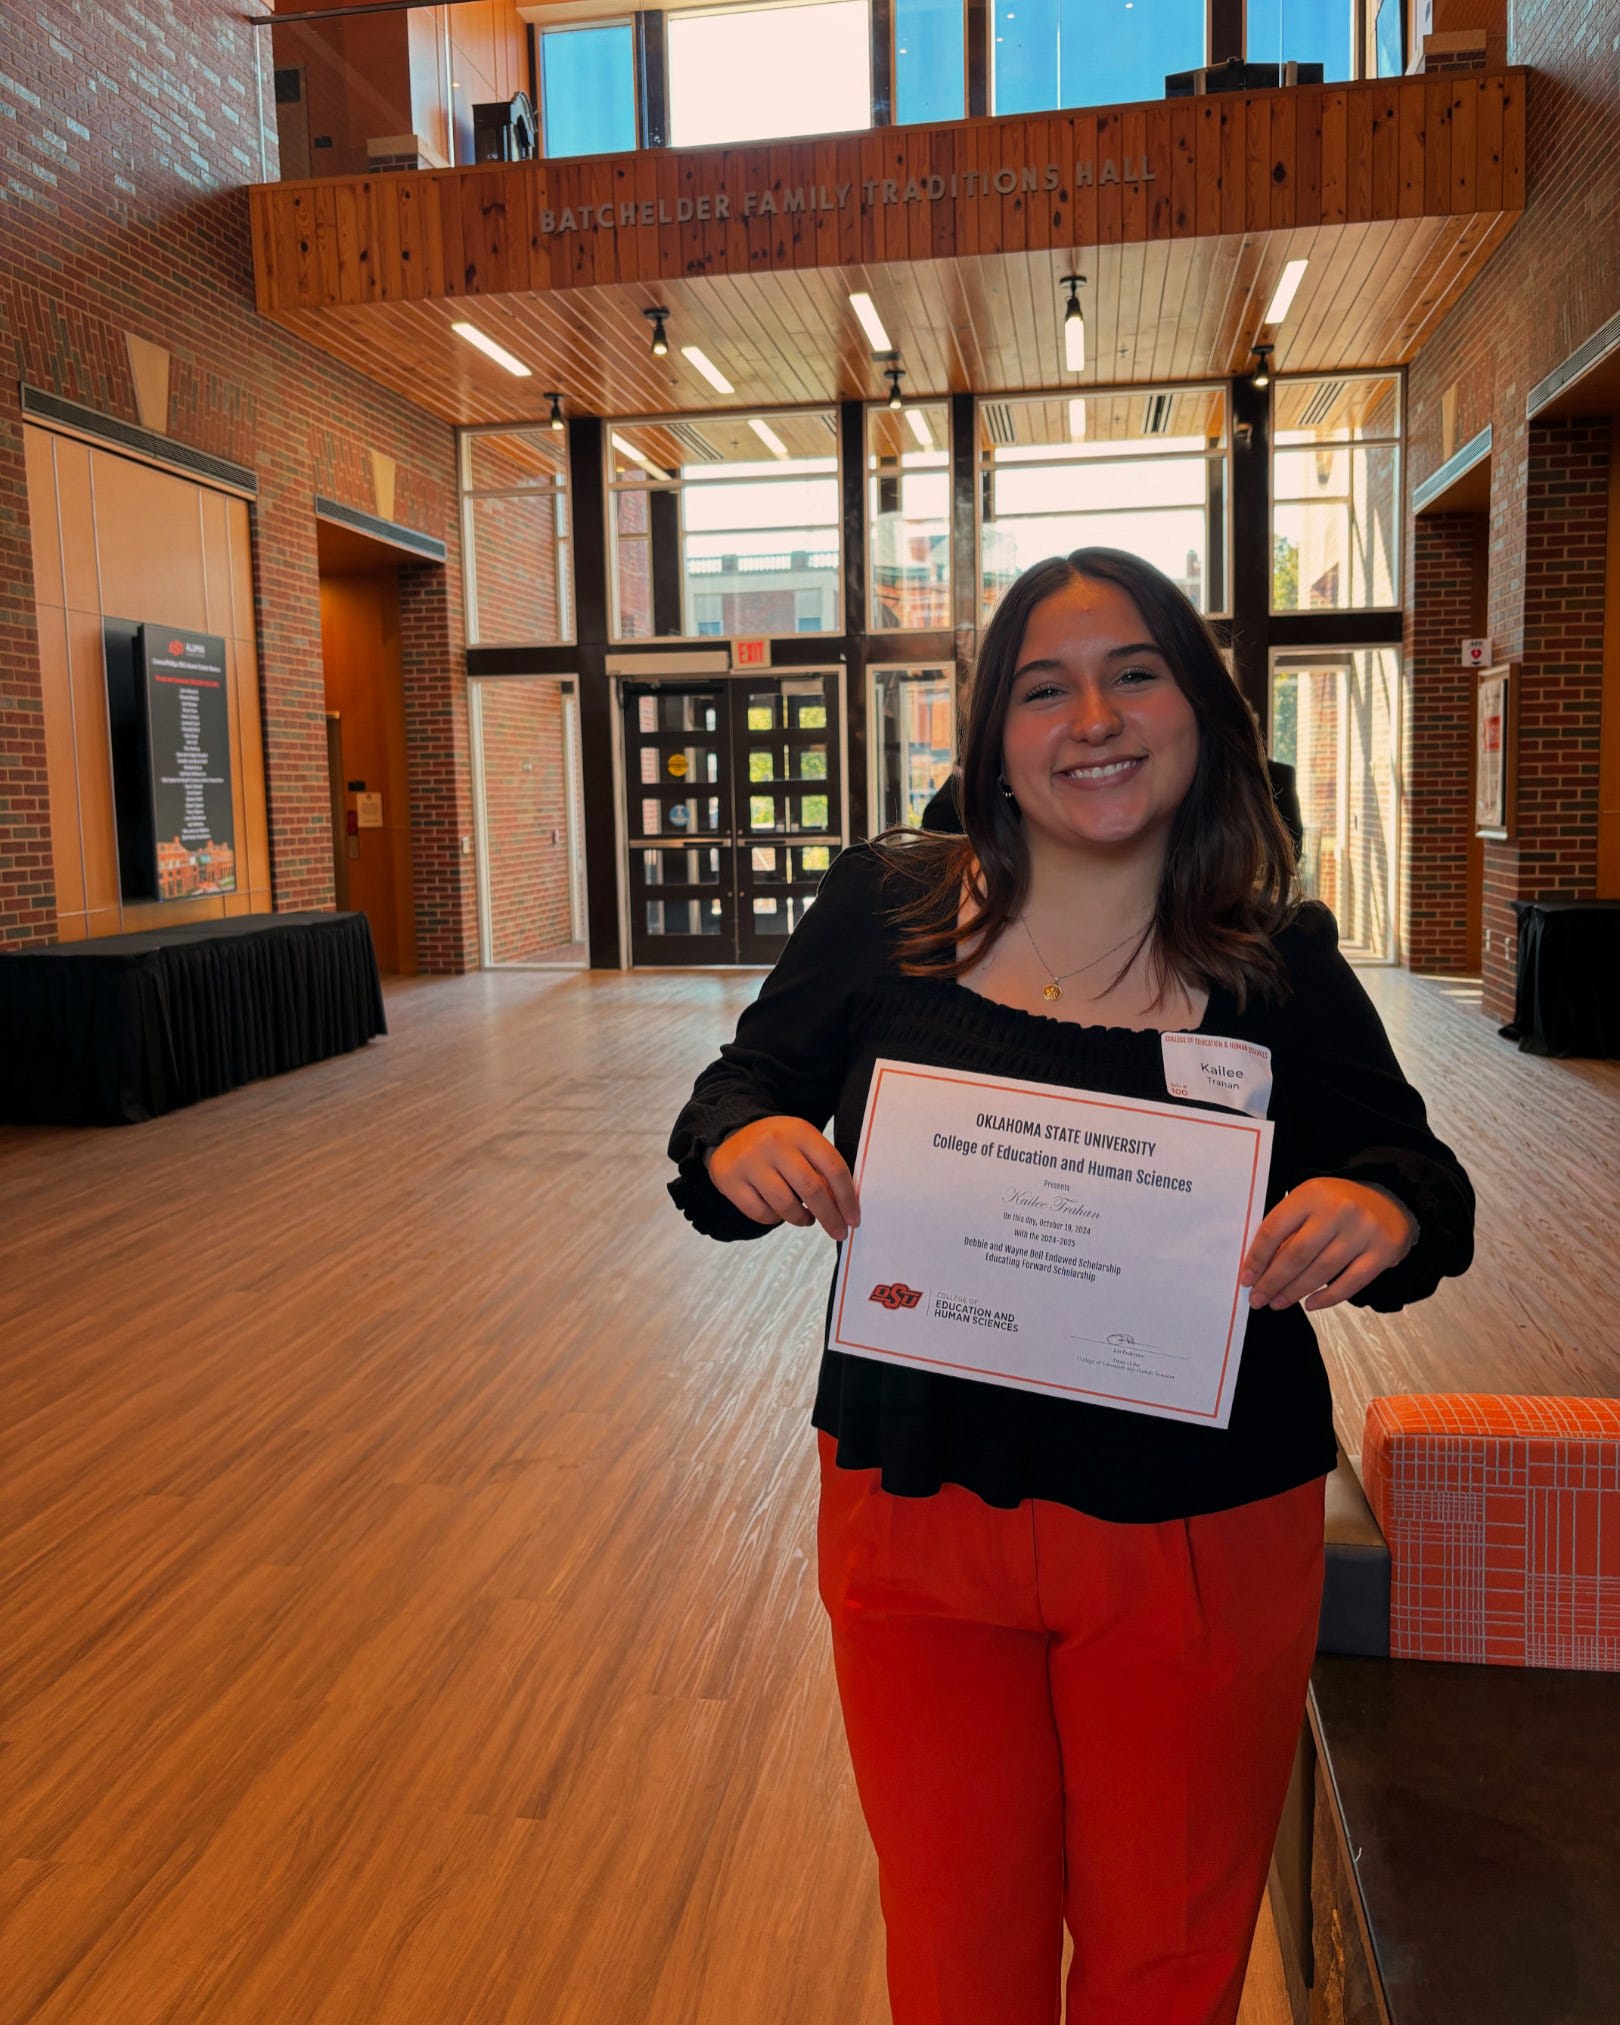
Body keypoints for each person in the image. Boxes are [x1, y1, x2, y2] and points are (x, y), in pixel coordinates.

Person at [667, 548, 1473, 2025]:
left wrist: (1378, 1204)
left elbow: (1421, 1178)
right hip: (918, 1500)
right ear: (993, 738)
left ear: (1202, 711)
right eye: (1044, 688)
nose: (1092, 718)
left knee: (1168, 1950)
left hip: (1201, 1524)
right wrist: (745, 1141)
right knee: (953, 1939)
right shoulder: (887, 907)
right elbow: (737, 1090)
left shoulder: (1276, 953)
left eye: (1134, 674)